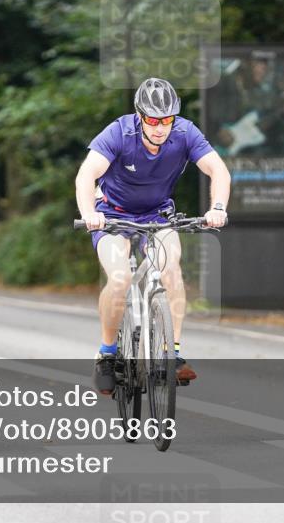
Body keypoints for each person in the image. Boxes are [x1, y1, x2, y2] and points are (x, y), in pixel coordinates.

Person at [75, 77, 230, 395]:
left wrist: (217, 207)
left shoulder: (185, 133)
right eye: (153, 120)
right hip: (112, 214)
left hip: (157, 214)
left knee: (171, 268)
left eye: (167, 120)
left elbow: (219, 171)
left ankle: (171, 353)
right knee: (120, 278)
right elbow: (86, 174)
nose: (160, 128)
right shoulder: (119, 132)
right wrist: (90, 213)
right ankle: (107, 355)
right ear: (139, 116)